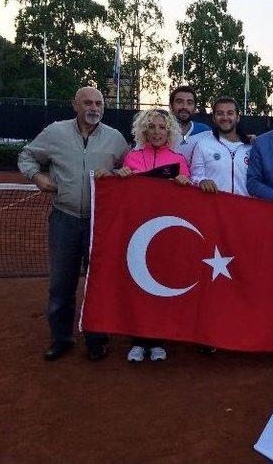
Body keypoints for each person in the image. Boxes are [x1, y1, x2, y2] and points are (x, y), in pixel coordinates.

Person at [18, 86, 129, 361]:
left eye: (99, 103)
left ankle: (97, 339)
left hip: (100, 223)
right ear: (75, 105)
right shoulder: (55, 132)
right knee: (60, 284)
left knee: (98, 283)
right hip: (64, 219)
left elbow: (131, 167)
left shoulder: (115, 139)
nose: (94, 108)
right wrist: (36, 177)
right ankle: (62, 338)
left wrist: (120, 172)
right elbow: (27, 155)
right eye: (88, 103)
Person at [99, 108, 191, 362]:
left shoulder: (178, 159)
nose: (157, 132)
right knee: (137, 285)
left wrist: (186, 182)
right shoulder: (132, 157)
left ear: (169, 131)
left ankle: (158, 340)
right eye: (152, 127)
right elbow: (121, 195)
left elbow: (189, 202)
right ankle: (138, 340)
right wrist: (121, 176)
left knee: (160, 285)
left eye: (162, 127)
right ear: (144, 130)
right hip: (136, 231)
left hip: (166, 233)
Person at [191, 97, 252, 195]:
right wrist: (202, 181)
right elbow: (195, 176)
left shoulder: (251, 147)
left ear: (238, 117)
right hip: (214, 206)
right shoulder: (203, 145)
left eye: (230, 113)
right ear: (214, 118)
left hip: (244, 207)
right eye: (220, 113)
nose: (225, 117)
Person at [169, 85, 210, 164]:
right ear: (171, 106)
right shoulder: (159, 131)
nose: (185, 107)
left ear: (195, 108)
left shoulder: (205, 132)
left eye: (189, 103)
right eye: (179, 102)